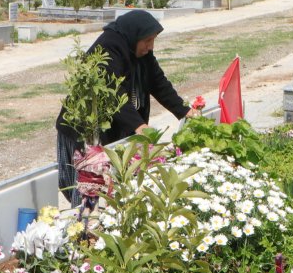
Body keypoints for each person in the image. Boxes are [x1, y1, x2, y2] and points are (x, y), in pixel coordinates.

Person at [55, 10, 200, 203]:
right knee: (89, 190)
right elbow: (112, 93)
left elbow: (158, 82)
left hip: (113, 129)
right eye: (147, 40)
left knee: (115, 188)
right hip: (85, 131)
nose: (151, 46)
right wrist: (139, 127)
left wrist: (184, 110)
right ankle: (85, 219)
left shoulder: (140, 50)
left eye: (153, 40)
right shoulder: (109, 48)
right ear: (135, 35)